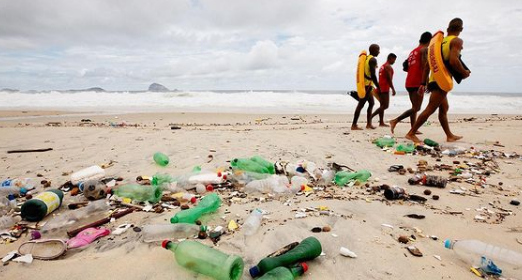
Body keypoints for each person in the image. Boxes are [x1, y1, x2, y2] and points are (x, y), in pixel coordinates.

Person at [405, 18, 470, 143]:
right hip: (442, 81)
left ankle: (449, 135)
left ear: (447, 29)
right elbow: (453, 60)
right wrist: (464, 73)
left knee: (444, 108)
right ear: (461, 29)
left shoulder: (437, 44)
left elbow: (427, 66)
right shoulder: (456, 41)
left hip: (434, 80)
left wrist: (424, 83)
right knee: (430, 108)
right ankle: (411, 133)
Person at [389, 32, 432, 134]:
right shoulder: (424, 50)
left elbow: (405, 67)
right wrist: (426, 82)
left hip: (409, 81)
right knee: (417, 107)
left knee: (414, 107)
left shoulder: (413, 52)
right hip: (417, 82)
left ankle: (413, 128)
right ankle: (395, 120)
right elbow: (425, 66)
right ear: (429, 40)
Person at [352, 44, 380, 130]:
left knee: (371, 103)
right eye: (378, 50)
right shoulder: (372, 59)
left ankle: (368, 124)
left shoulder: (367, 58)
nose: (379, 52)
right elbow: (373, 75)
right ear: (374, 50)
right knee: (360, 105)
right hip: (367, 86)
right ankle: (354, 125)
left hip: (367, 85)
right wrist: (379, 87)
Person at [370, 53, 397, 127]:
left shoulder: (382, 66)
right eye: (394, 60)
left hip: (380, 87)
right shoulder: (388, 66)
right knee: (385, 106)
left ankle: (381, 122)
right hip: (384, 88)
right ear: (390, 58)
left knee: (382, 105)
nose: (394, 61)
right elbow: (389, 79)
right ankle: (371, 117)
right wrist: (393, 89)